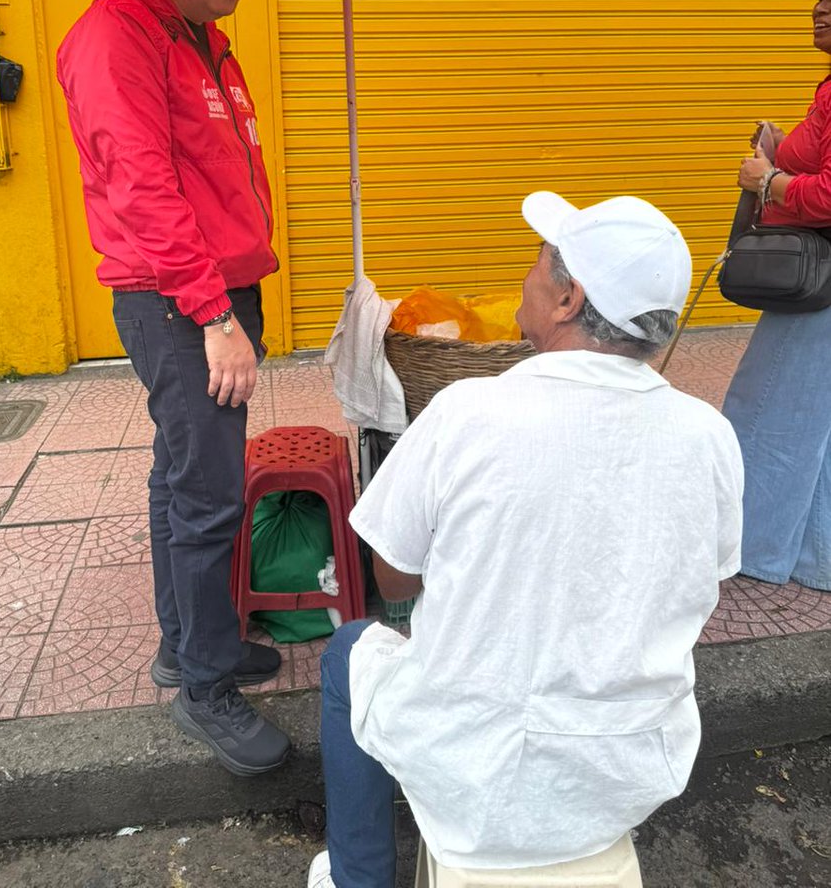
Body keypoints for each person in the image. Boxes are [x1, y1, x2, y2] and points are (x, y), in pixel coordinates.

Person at [307, 192, 744, 888]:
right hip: (630, 765)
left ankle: (358, 877)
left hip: (475, 768)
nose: (527, 277)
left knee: (347, 654)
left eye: (539, 264)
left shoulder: (468, 411)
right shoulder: (709, 436)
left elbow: (393, 580)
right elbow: (701, 583)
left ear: (567, 298)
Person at [57, 0, 290, 775]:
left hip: (218, 294)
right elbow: (144, 189)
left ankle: (189, 644)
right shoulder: (119, 37)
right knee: (208, 497)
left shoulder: (202, 38)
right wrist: (211, 313)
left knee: (179, 479)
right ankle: (204, 688)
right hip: (181, 301)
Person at [722, 0, 831, 592]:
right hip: (823, 278)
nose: (818, 8)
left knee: (767, 408)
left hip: (820, 283)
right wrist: (784, 145)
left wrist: (769, 181)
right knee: (815, 418)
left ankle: (747, 554)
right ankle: (816, 560)